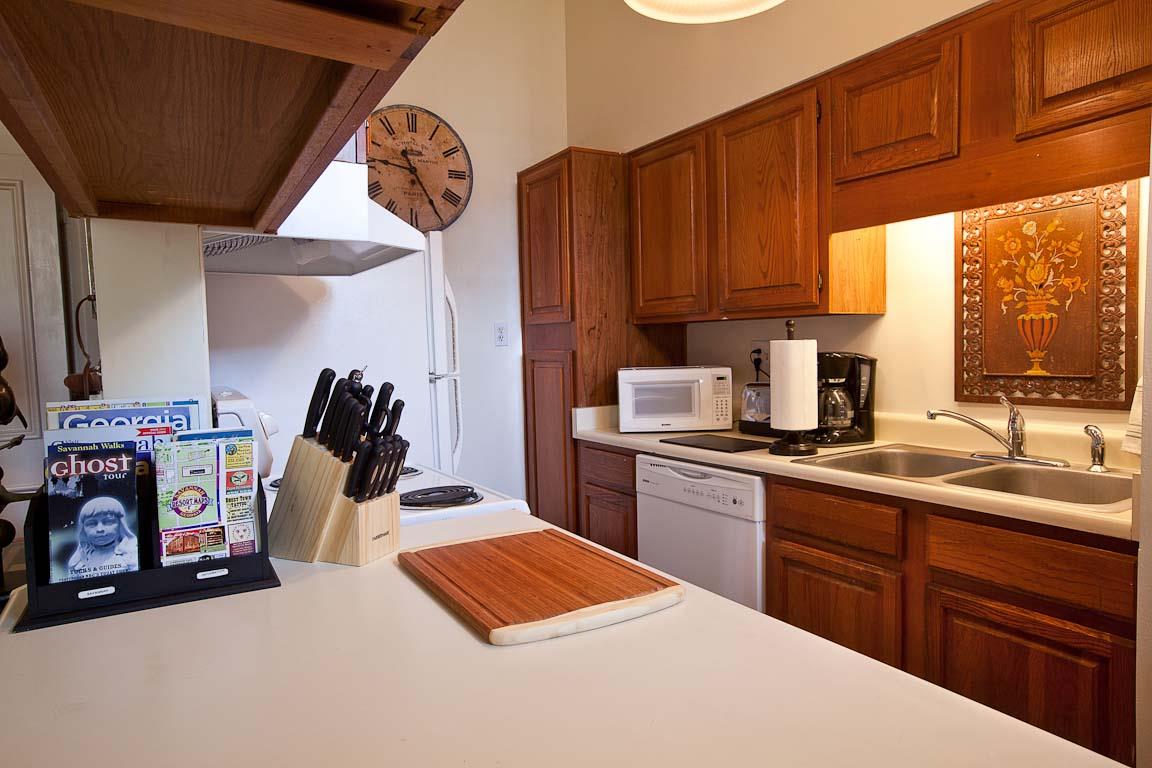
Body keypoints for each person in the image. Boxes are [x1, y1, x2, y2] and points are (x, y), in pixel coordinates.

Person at [67, 496, 138, 579]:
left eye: (108, 522)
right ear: (83, 529)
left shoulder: (131, 556)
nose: (99, 529)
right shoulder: (77, 561)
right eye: (91, 523)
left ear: (121, 525)